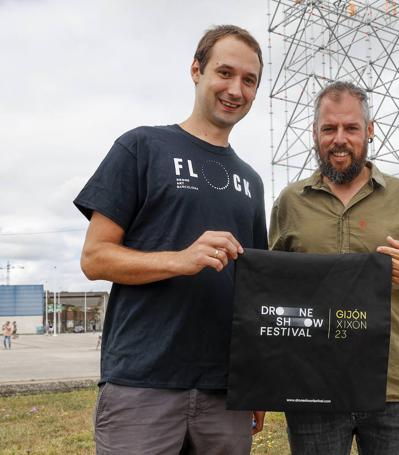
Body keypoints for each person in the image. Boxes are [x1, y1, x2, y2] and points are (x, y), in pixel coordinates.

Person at [74, 25, 267, 454]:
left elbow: (254, 291)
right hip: (142, 385)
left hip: (225, 394)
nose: (236, 89)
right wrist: (180, 260)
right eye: (225, 72)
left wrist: (256, 380)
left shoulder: (251, 182)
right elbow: (94, 258)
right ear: (196, 71)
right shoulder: (142, 147)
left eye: (249, 80)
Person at [270, 81, 399, 455]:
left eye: (351, 128)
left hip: (393, 387)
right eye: (329, 129)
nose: (340, 139)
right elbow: (270, 293)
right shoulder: (290, 203)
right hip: (312, 386)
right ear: (315, 133)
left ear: (369, 131)